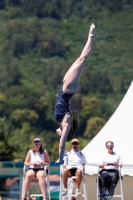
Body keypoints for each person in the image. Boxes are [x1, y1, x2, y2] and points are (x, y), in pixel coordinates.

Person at [54, 23, 96, 164]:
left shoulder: (60, 121)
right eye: (60, 136)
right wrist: (60, 160)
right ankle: (91, 36)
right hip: (68, 90)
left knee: (80, 59)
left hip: (63, 88)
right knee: (81, 60)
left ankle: (90, 37)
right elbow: (61, 145)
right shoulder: (65, 126)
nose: (57, 135)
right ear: (64, 135)